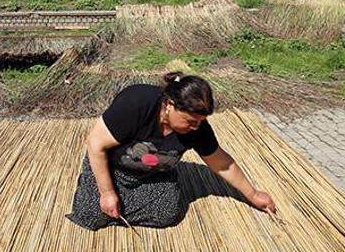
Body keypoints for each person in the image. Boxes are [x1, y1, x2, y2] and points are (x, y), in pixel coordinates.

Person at [66, 72, 277, 230]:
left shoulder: (197, 128)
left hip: (151, 177)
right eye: (190, 121)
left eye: (200, 122)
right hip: (112, 168)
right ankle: (100, 193)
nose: (195, 127)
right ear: (169, 105)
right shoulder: (136, 103)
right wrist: (107, 193)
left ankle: (117, 208)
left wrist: (253, 194)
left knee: (167, 212)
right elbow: (96, 144)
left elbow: (223, 164)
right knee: (88, 213)